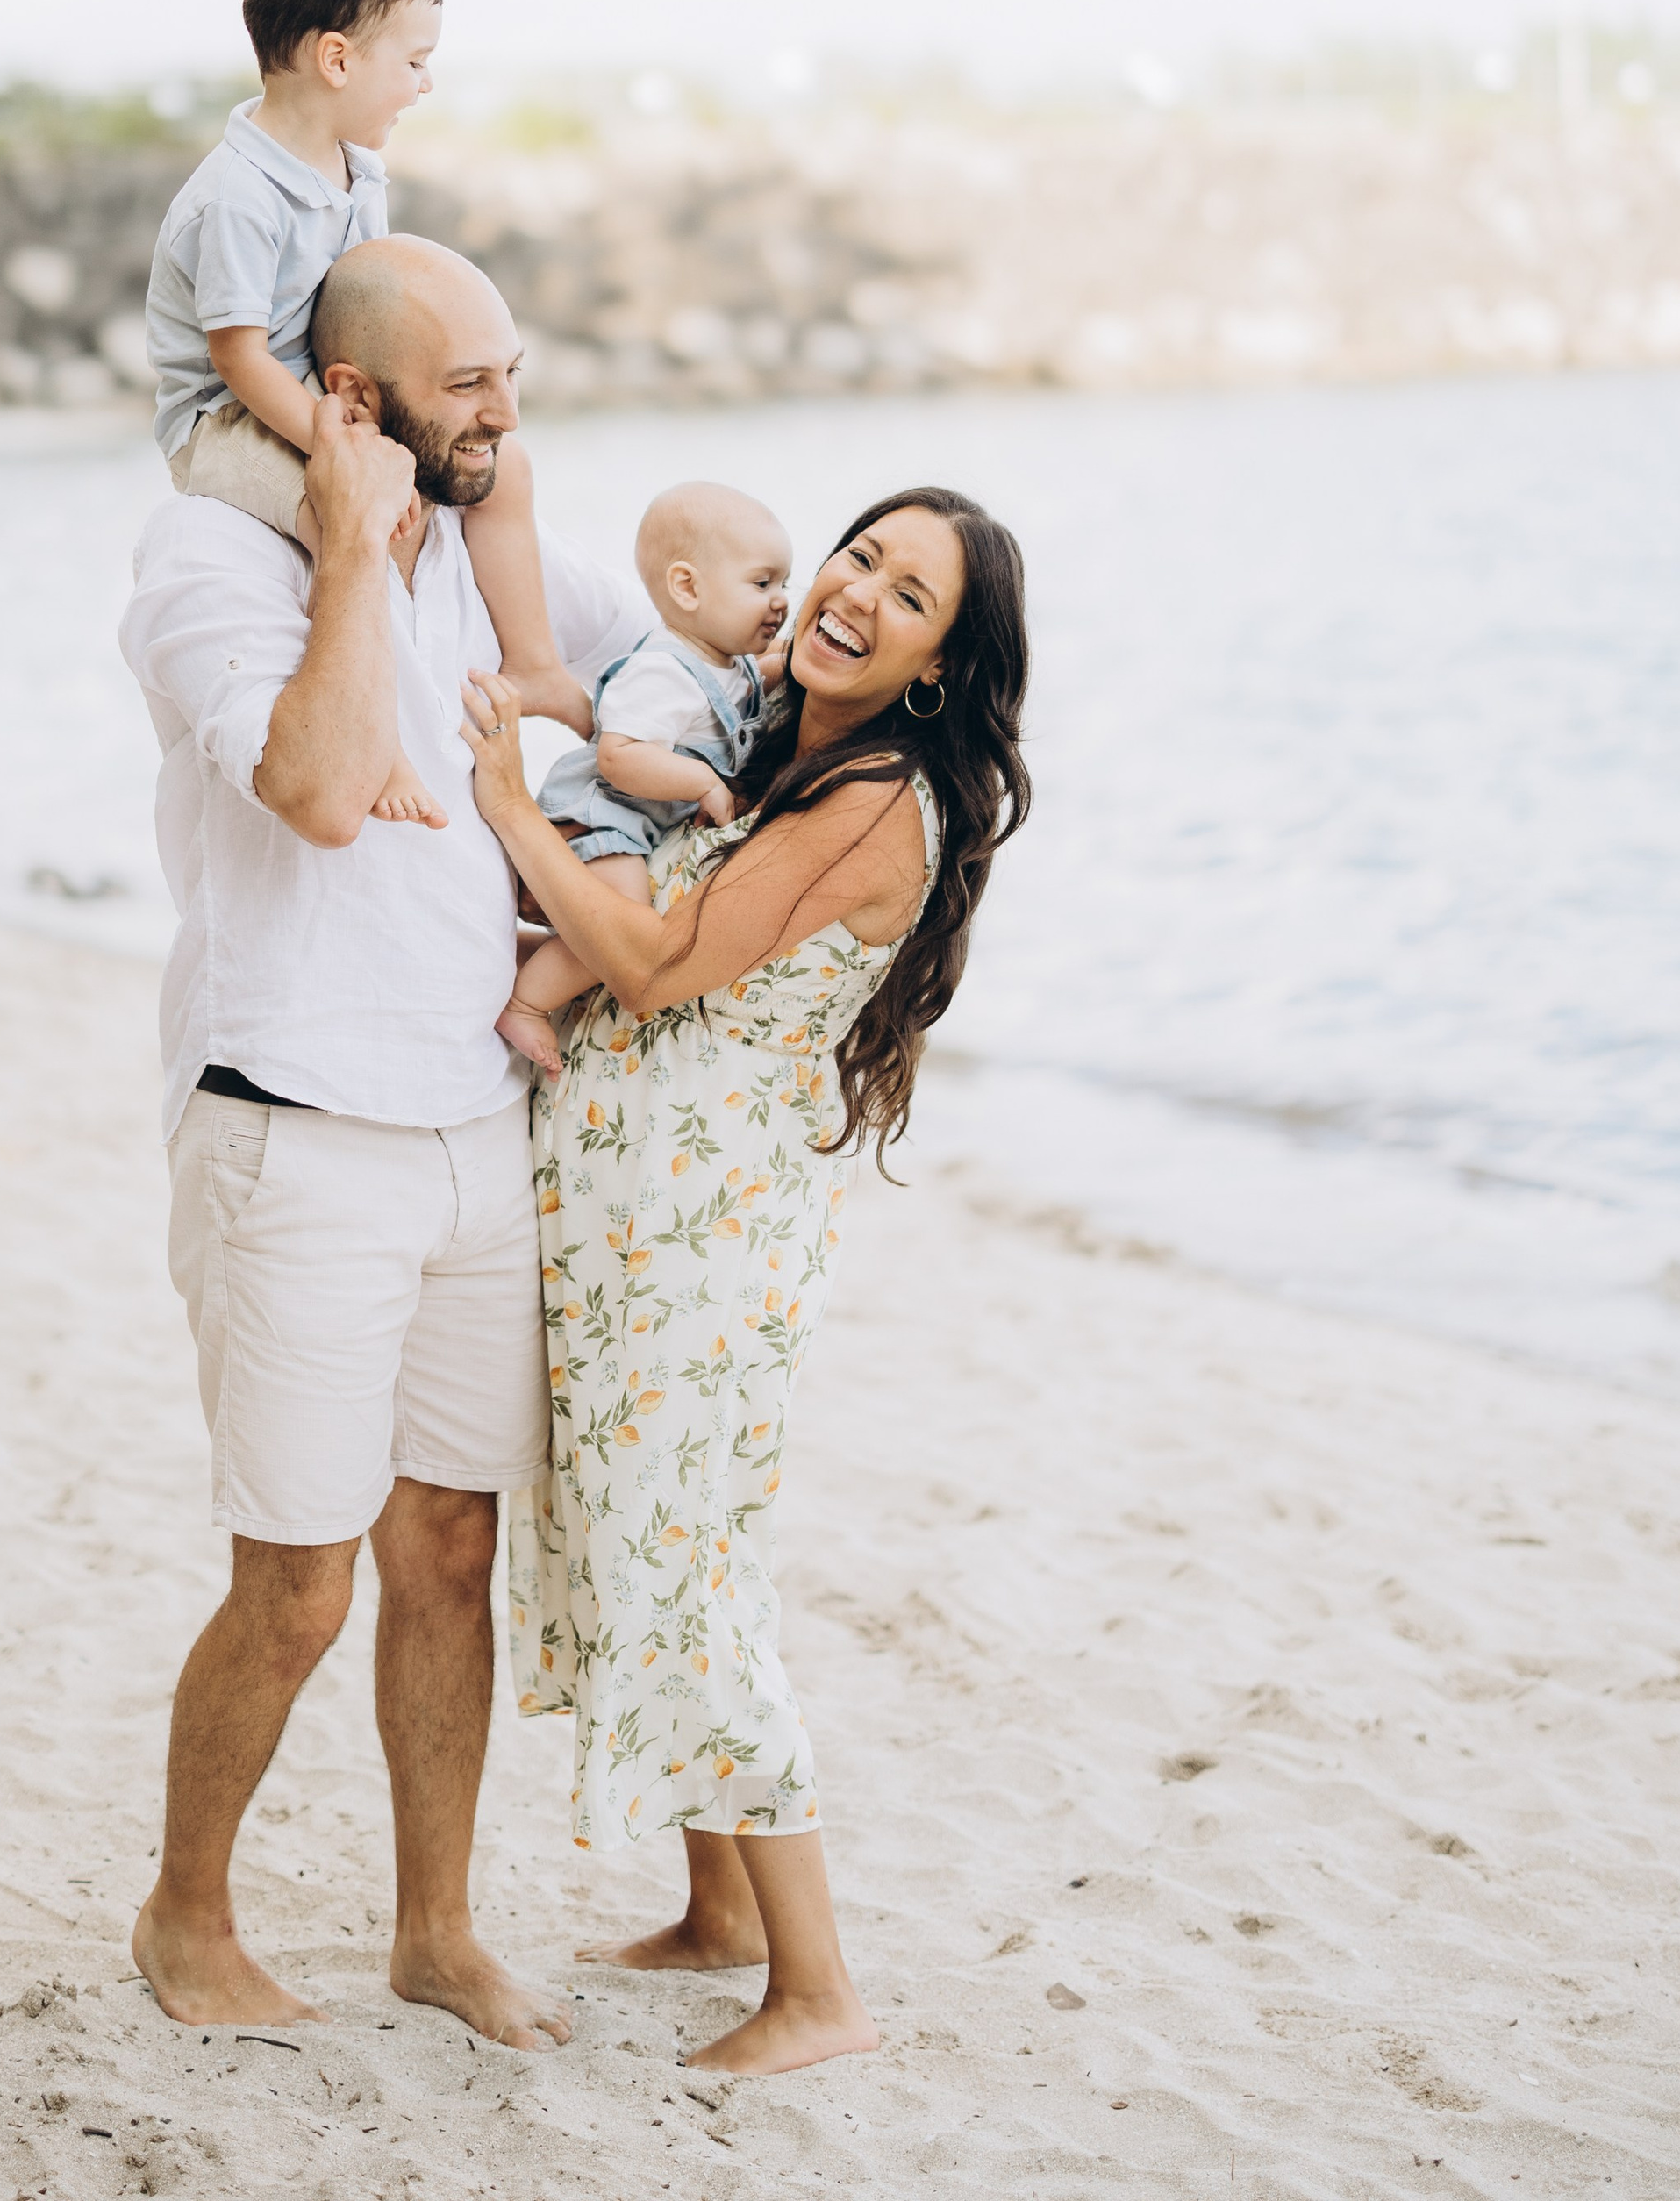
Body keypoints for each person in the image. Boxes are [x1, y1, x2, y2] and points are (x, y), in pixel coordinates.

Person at [117, 234, 645, 2047]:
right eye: (466, 382)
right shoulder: (209, 556)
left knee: (447, 1551)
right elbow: (324, 789)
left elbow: (669, 643)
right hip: (295, 1124)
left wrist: (602, 775)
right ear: (351, 402)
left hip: (472, 1120)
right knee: (296, 1581)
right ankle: (187, 1917)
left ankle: (435, 1930)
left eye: (510, 368)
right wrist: (351, 539)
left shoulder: (491, 539)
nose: (505, 409)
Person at [457, 486, 1031, 2076]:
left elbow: (654, 963)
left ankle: (818, 1990)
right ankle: (716, 1913)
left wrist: (513, 811)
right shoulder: (782, 730)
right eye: (859, 554)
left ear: (934, 663)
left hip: (697, 1246)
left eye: (907, 596)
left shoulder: (875, 797)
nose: (855, 594)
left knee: (689, 1566)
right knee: (648, 1538)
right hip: (648, 1219)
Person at [144, 0, 591, 827]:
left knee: (505, 468)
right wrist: (342, 449)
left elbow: (371, 299)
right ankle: (378, 736)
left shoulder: (358, 170)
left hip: (331, 389)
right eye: (415, 61)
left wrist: (412, 397)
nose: (426, 84)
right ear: (339, 61)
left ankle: (537, 658)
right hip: (229, 416)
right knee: (354, 516)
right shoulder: (238, 197)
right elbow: (237, 357)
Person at [497, 481, 792, 1068]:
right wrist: (703, 783)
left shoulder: (725, 660)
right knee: (623, 932)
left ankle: (521, 959)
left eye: (784, 583)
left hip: (637, 819)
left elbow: (741, 691)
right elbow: (620, 755)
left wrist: (790, 664)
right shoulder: (660, 670)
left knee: (614, 932)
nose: (780, 600)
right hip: (606, 815)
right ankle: (525, 1004)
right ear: (687, 587)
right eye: (762, 583)